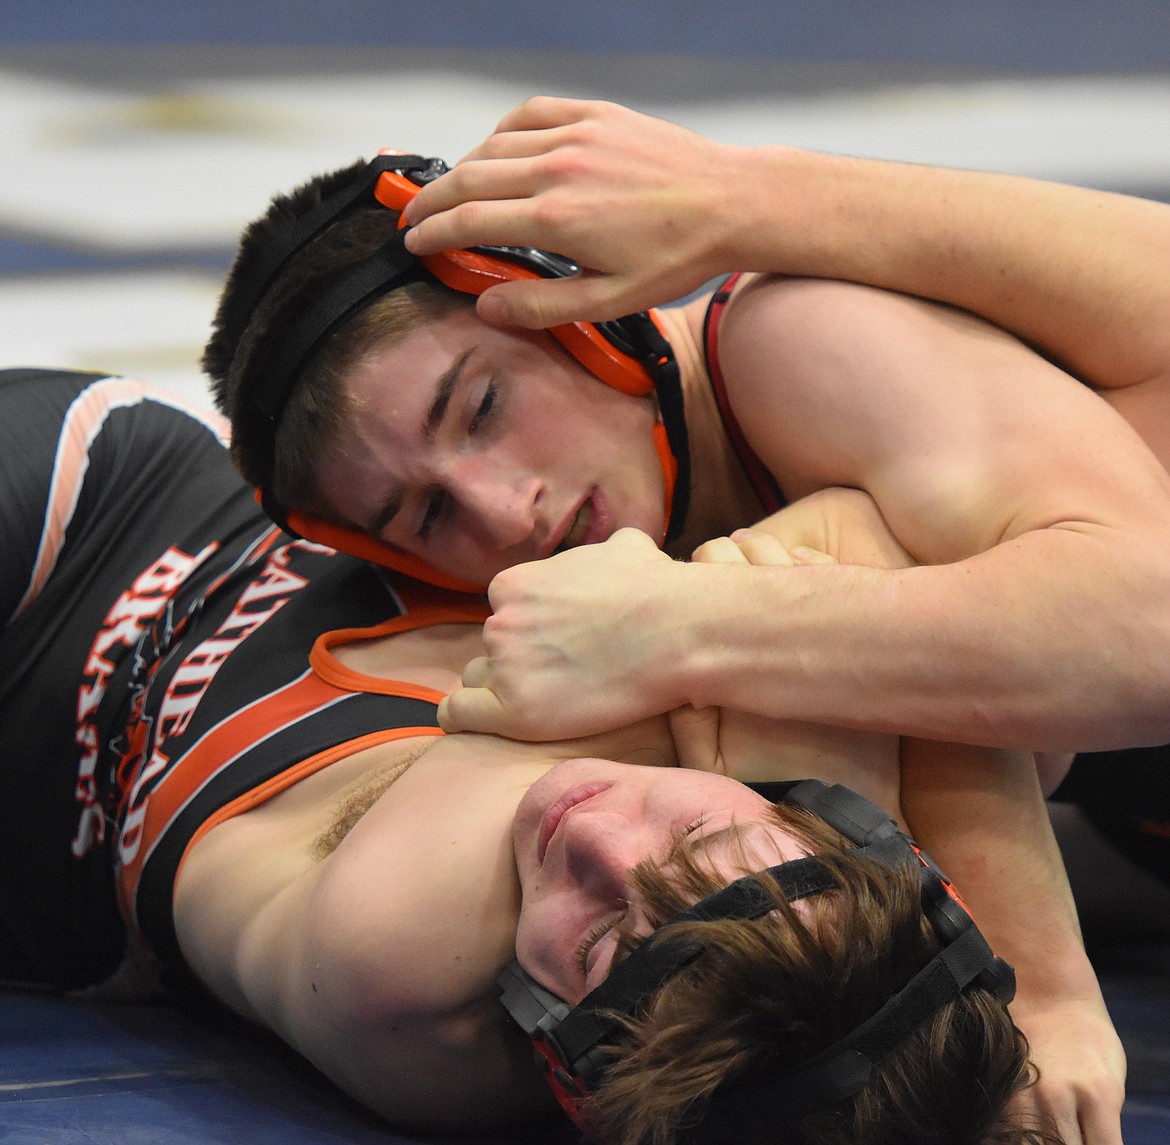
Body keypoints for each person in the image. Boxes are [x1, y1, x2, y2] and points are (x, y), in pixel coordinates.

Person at [1, 367, 1116, 1144]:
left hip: (56, 684)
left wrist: (791, 673)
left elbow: (880, 571)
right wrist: (1047, 984)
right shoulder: (806, 898)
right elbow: (889, 548)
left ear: (562, 1058)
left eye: (593, 943)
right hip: (151, 509)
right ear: (843, 825)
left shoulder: (408, 976)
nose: (587, 828)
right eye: (694, 834)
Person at [205, 96, 1170, 767]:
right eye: (424, 515)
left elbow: (1150, 629)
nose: (505, 513)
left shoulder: (793, 341)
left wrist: (687, 631)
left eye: (485, 407)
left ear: (566, 294)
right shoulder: (555, 615)